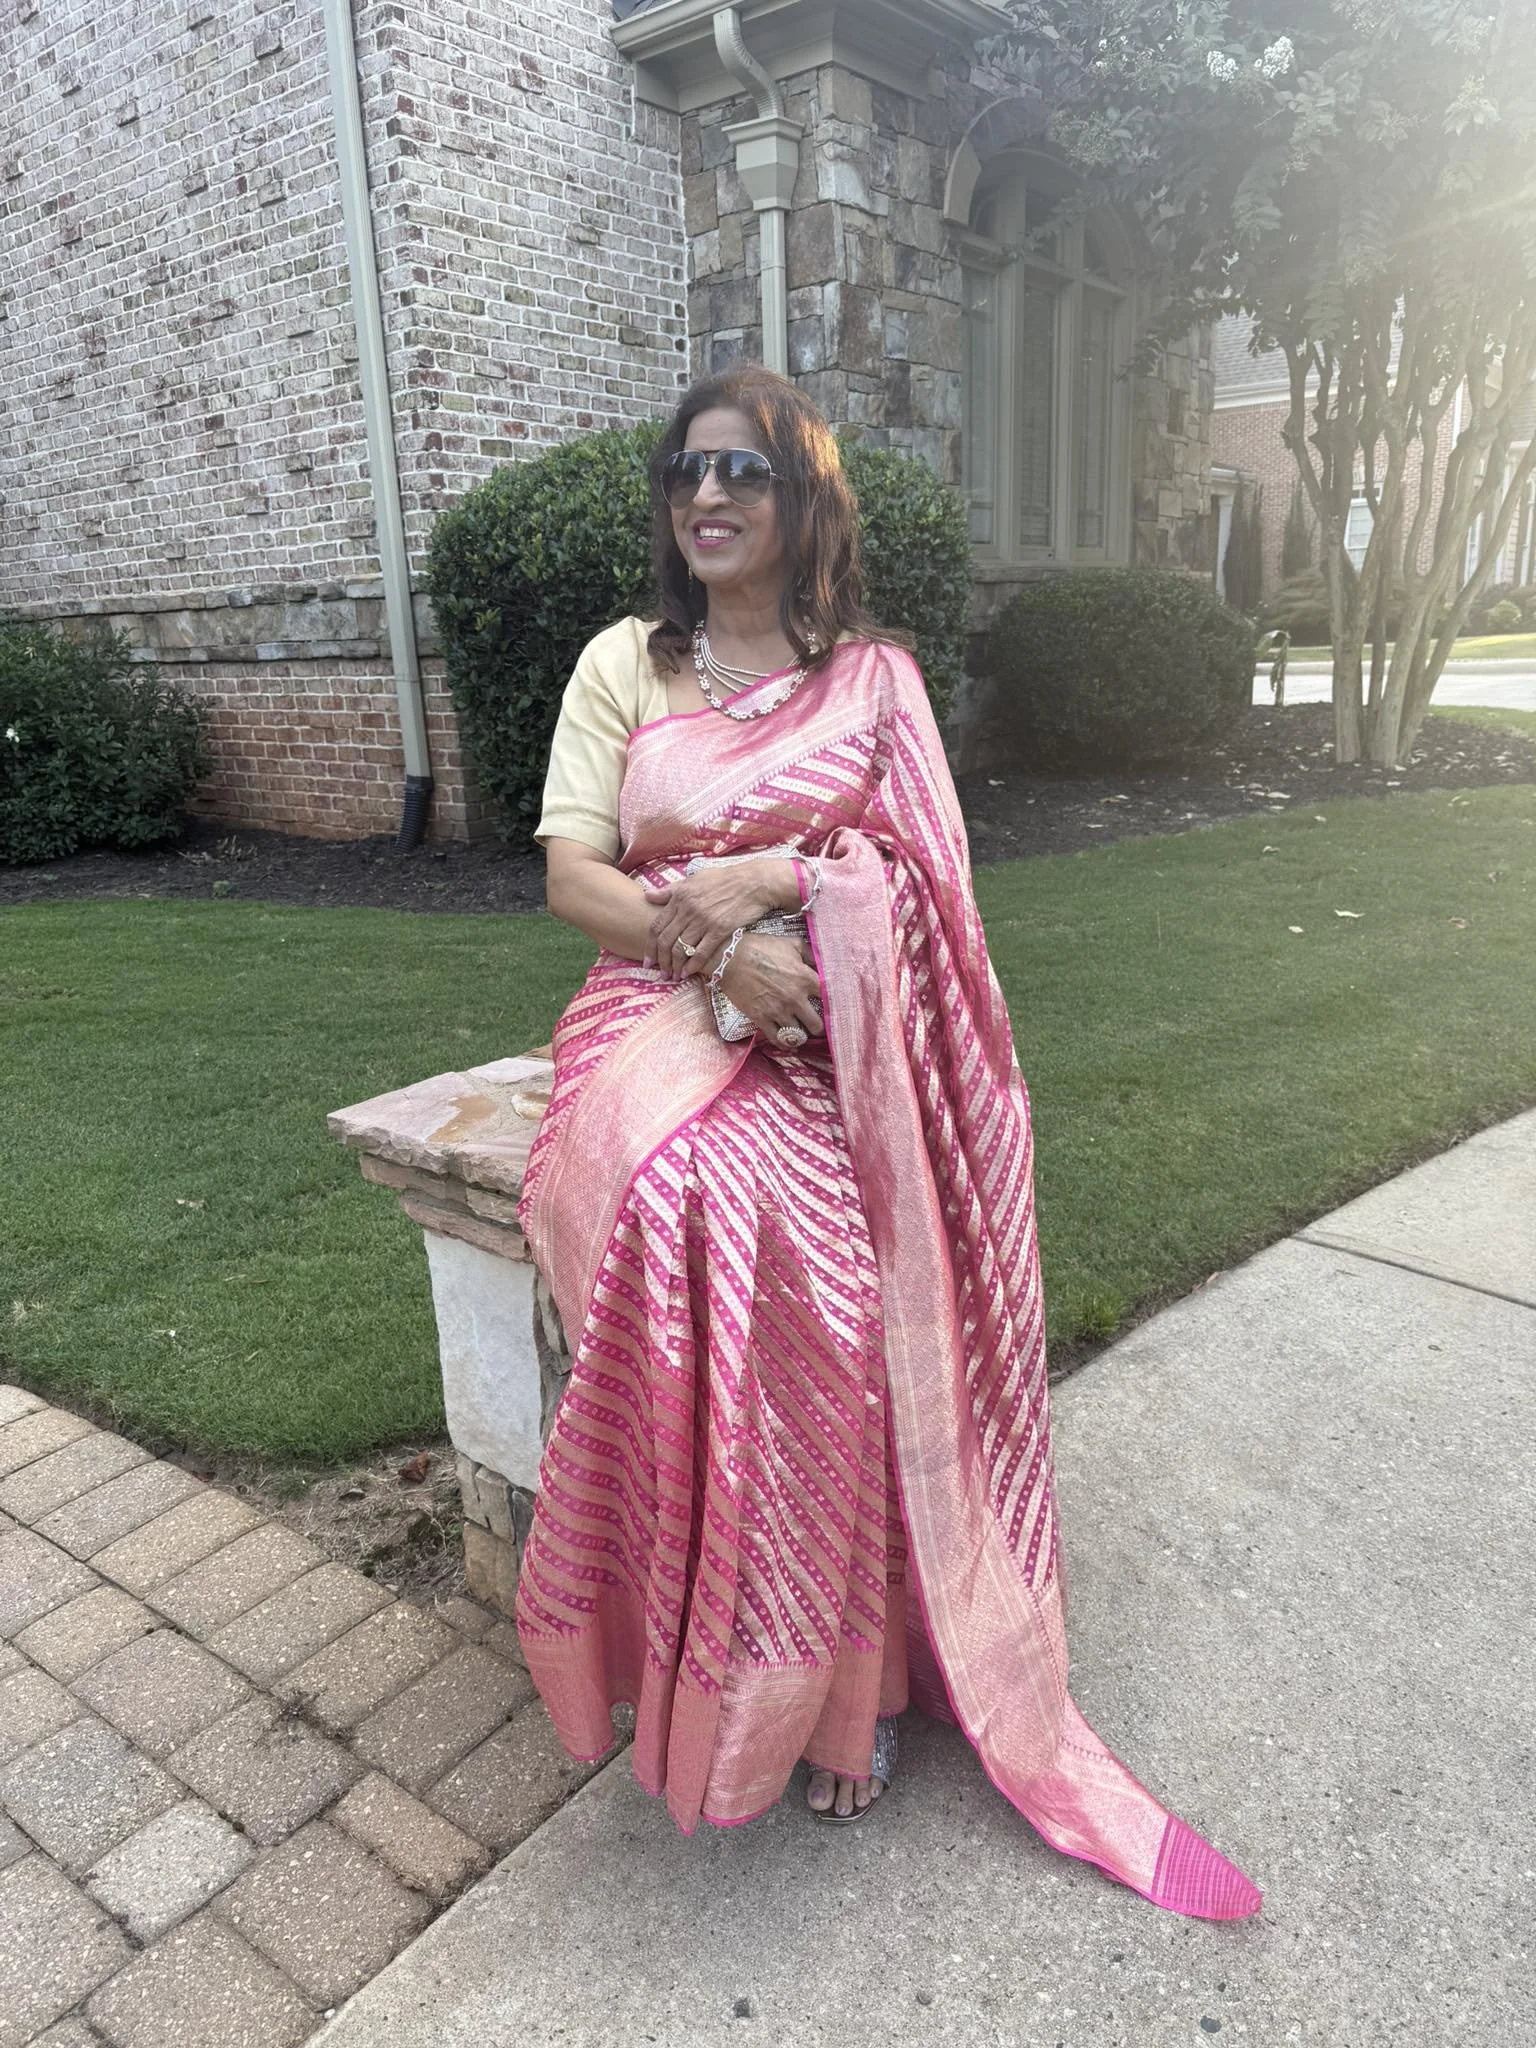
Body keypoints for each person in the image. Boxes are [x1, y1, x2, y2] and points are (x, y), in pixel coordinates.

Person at [516, 363, 1260, 1917]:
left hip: (843, 1034)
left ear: (805, 502)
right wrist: (711, 949)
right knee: (696, 1210)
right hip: (651, 1004)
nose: (707, 498)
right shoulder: (622, 666)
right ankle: (696, 1627)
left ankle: (843, 1689)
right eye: (687, 473)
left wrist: (782, 876)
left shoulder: (875, 683)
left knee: (852, 1269)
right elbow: (575, 881)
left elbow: (930, 890)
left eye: (746, 474)